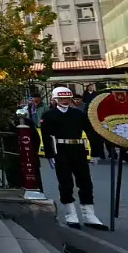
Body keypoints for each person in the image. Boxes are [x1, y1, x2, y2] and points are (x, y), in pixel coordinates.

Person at [41, 86, 107, 229]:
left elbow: (91, 132)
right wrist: (50, 154)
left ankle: (89, 215)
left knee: (85, 182)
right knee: (66, 183)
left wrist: (96, 152)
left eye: (67, 98)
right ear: (55, 99)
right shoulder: (49, 115)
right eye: (61, 98)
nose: (65, 101)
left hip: (78, 150)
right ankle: (71, 214)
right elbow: (46, 137)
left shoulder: (78, 114)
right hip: (61, 151)